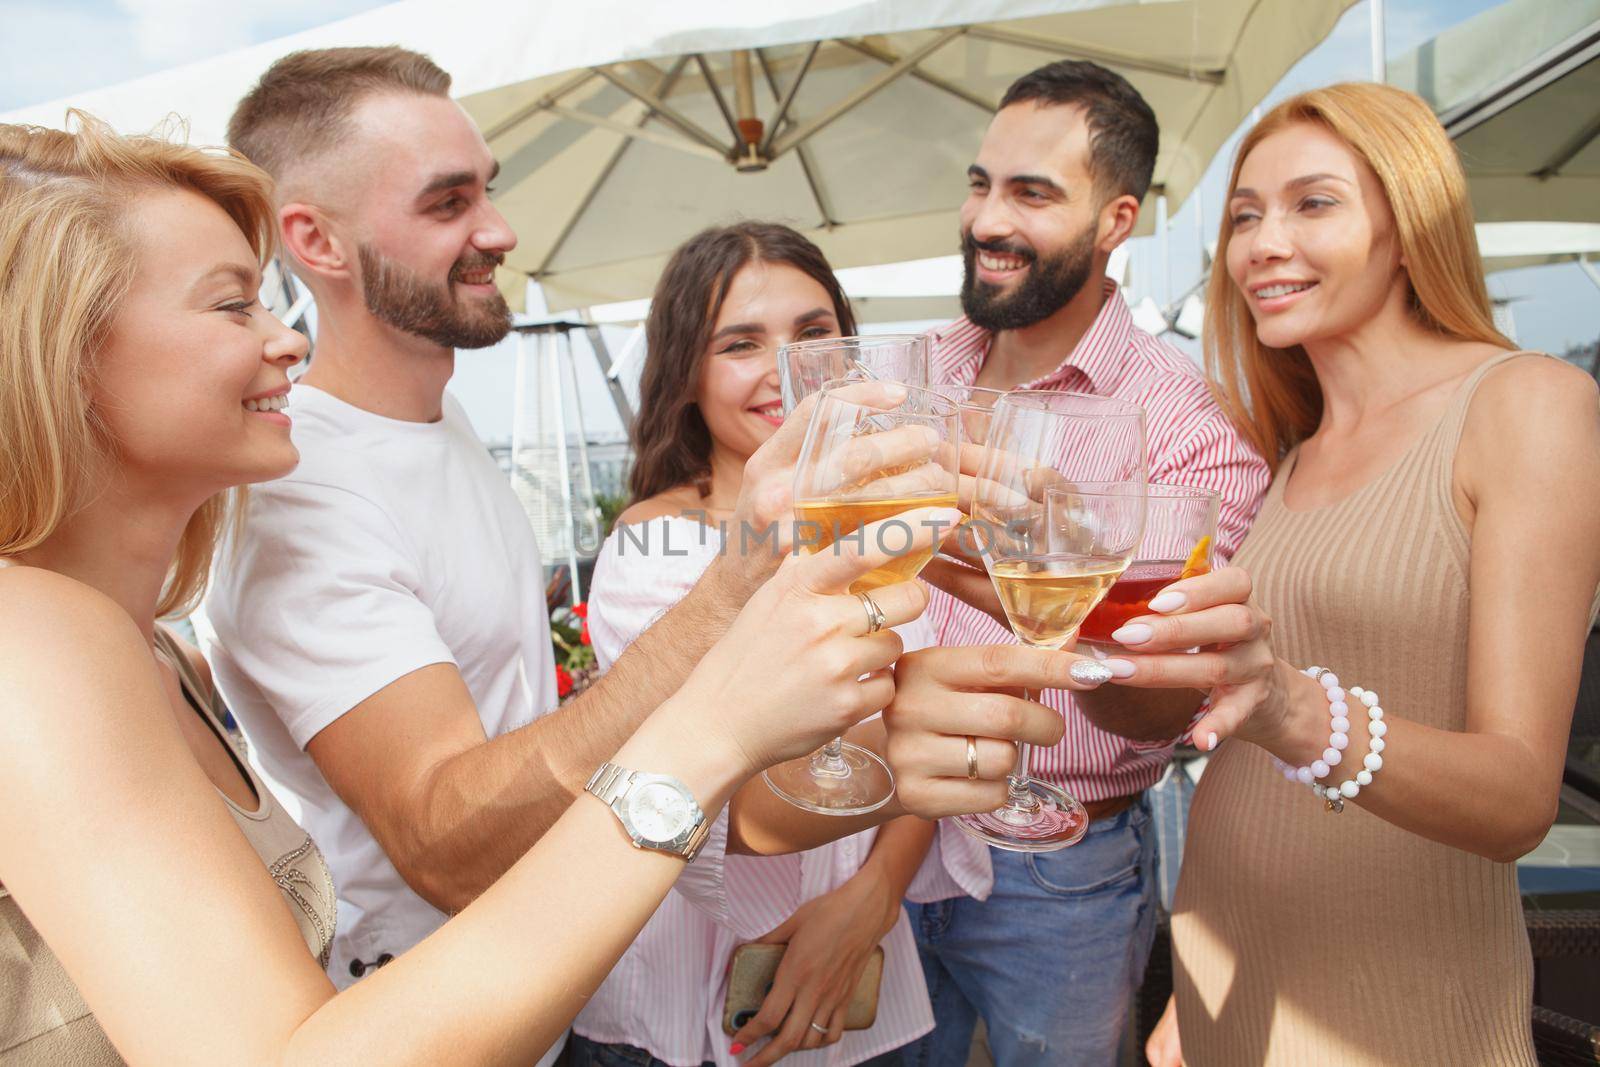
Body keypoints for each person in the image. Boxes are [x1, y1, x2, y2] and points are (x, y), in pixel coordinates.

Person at [0, 112, 941, 1065]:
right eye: (230, 305)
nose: (284, 342)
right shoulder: (32, 640)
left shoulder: (157, 651)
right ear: (62, 352)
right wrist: (708, 734)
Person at [200, 45, 854, 1030]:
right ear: (316, 241)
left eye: (488, 193)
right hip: (430, 1015)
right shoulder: (303, 494)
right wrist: (721, 596)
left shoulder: (430, 417)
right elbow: (443, 842)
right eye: (446, 203)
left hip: (547, 997)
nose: (499, 231)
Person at [1067, 83, 1598, 1065]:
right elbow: (1199, 717)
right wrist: (1078, 625)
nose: (1263, 243)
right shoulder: (1286, 448)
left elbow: (1521, 796)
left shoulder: (1526, 403)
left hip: (1394, 999)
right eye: (1244, 216)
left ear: (1408, 226)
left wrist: (1290, 707)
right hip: (1223, 969)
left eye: (1313, 203)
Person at [881, 60, 1271, 1066]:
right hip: (876, 838)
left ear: (1115, 221)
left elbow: (1165, 701)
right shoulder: (912, 371)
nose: (986, 220)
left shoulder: (1191, 434)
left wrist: (1056, 586)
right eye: (980, 183)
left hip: (1058, 864)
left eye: (1032, 194)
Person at [571, 222, 990, 1067]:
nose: (787, 371)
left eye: (812, 334)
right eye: (740, 344)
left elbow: (928, 734)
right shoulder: (657, 545)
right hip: (680, 1002)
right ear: (686, 374)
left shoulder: (892, 518)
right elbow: (725, 802)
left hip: (870, 978)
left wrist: (870, 900)